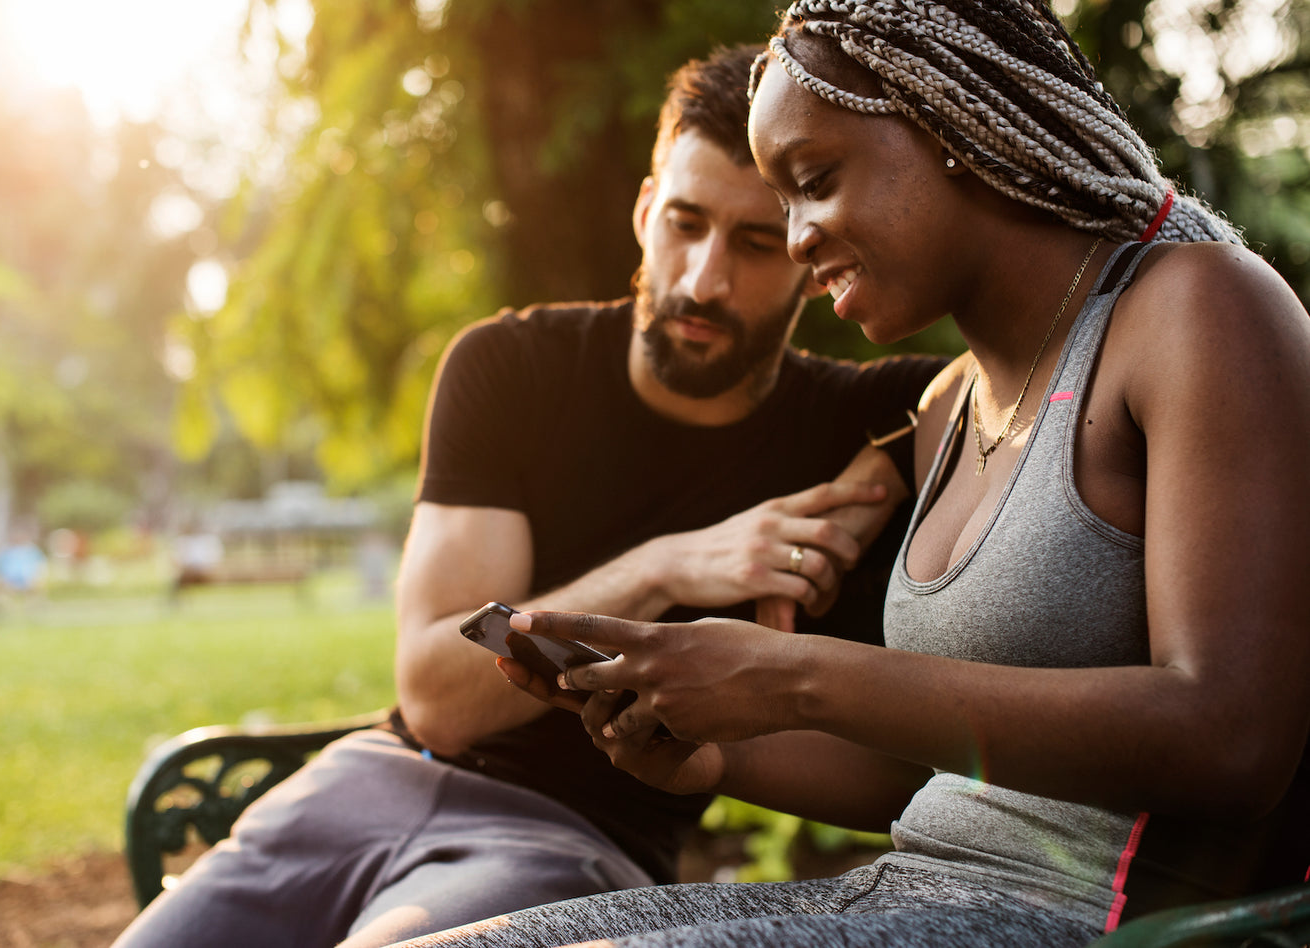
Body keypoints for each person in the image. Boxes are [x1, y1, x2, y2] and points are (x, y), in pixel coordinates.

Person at [385, 3, 1310, 947]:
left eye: (815, 182)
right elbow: (935, 771)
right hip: (905, 891)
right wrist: (711, 756)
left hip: (1098, 922)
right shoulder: (946, 410)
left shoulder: (1197, 309)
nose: (795, 238)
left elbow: (1232, 734)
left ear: (950, 126)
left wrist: (797, 677)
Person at [111, 44, 946, 948]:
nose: (704, 279)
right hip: (364, 787)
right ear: (642, 211)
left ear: (806, 249)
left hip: (573, 843)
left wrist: (877, 472)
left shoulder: (863, 417)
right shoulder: (509, 367)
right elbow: (438, 694)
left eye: (752, 243)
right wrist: (670, 566)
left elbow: (1021, 358)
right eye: (684, 223)